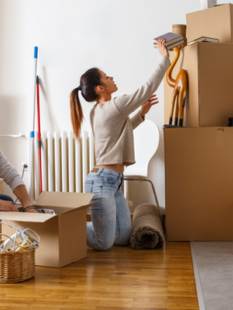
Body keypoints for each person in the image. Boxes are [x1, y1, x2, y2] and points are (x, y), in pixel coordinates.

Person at [69, 39, 170, 250]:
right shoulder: (114, 106)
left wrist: (141, 114)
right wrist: (164, 58)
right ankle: (66, 228)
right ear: (100, 87)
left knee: (123, 238)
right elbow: (146, 89)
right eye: (107, 77)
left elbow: (121, 133)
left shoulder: (101, 111)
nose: (111, 78)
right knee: (103, 243)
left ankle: (97, 226)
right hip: (100, 183)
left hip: (112, 182)